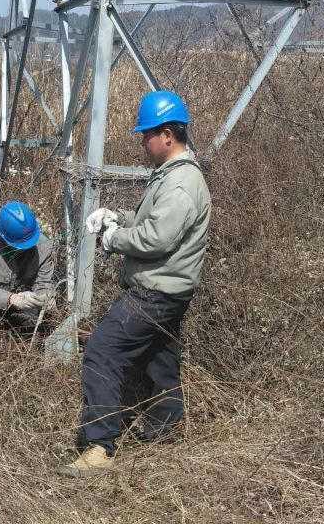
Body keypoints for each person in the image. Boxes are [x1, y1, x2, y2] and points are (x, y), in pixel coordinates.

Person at [59, 91, 212, 477]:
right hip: (170, 291)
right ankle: (165, 433)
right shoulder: (173, 176)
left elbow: (157, 239)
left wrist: (114, 239)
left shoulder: (180, 183)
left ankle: (99, 447)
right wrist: (117, 217)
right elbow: (153, 222)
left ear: (166, 135)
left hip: (155, 293)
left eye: (146, 134)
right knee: (160, 360)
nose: (143, 142)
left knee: (101, 350)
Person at [0, 201, 56, 341]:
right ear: (4, 237)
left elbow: (43, 283)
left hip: (25, 305)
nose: (24, 248)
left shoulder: (44, 247)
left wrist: (45, 296)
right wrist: (12, 299)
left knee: (39, 326)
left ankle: (15, 341)